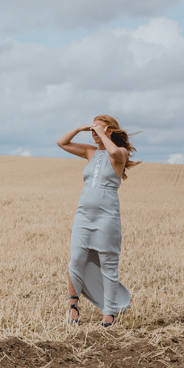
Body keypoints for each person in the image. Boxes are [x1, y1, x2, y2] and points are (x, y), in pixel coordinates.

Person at [57, 114, 139, 327]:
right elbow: (61, 142)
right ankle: (73, 309)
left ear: (109, 132)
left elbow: (113, 151)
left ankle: (109, 313)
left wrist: (102, 133)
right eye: (92, 131)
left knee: (108, 264)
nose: (93, 134)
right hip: (83, 214)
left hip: (107, 216)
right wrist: (80, 128)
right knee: (75, 260)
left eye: (98, 130)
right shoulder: (90, 152)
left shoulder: (119, 153)